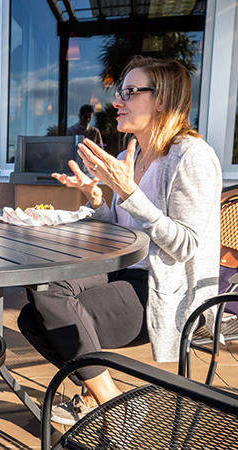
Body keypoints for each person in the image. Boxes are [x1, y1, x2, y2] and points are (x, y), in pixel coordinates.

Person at [18, 56, 221, 425]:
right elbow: (121, 227)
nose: (117, 102)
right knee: (37, 296)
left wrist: (127, 191)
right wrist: (97, 197)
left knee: (44, 317)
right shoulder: (137, 153)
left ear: (162, 100)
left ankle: (101, 399)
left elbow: (185, 245)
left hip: (164, 288)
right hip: (123, 269)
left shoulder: (192, 156)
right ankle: (111, 398)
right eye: (120, 92)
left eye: (130, 92)